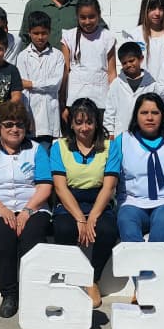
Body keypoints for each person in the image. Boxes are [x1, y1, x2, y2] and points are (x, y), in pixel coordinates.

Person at [0, 100, 52, 319]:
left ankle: (31, 291)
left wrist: (27, 211)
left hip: (32, 207)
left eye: (20, 125)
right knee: (3, 236)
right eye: (9, 124)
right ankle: (9, 294)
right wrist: (2, 209)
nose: (15, 129)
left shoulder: (36, 150)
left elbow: (45, 186)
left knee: (32, 235)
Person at [50, 98, 120, 308]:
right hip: (70, 200)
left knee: (107, 230)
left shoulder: (109, 146)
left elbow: (108, 187)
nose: (84, 128)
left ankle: (92, 278)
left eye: (89, 122)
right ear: (71, 124)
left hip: (99, 199)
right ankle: (73, 278)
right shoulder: (59, 147)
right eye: (78, 122)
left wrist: (93, 217)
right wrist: (81, 219)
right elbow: (60, 187)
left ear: (97, 123)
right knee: (63, 228)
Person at [111, 93, 164, 248]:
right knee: (127, 222)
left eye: (155, 113)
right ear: (136, 116)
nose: (150, 118)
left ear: (163, 115)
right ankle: (137, 270)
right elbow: (110, 177)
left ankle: (154, 271)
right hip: (132, 202)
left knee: (163, 221)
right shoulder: (123, 141)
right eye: (144, 113)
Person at [17, 11, 65, 146]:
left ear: (49, 32)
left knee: (45, 151)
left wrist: (31, 84)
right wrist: (39, 85)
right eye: (36, 33)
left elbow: (55, 84)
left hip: (48, 114)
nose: (40, 37)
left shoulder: (57, 55)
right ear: (29, 33)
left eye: (43, 33)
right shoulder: (23, 56)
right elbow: (21, 84)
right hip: (29, 111)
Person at [61, 0, 116, 112]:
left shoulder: (107, 37)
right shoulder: (68, 37)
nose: (87, 21)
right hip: (74, 99)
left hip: (101, 100)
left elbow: (112, 73)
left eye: (91, 17)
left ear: (99, 15)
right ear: (77, 17)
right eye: (83, 17)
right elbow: (65, 71)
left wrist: (114, 101)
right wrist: (62, 100)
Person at [104, 41, 164, 137]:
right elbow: (110, 110)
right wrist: (110, 132)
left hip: (145, 135)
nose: (128, 65)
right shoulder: (116, 84)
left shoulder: (152, 85)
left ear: (141, 59)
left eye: (131, 61)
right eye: (124, 63)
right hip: (121, 134)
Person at [120, 0, 164, 83]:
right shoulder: (134, 36)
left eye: (161, 9)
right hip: (142, 92)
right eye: (152, 8)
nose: (157, 13)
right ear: (145, 9)